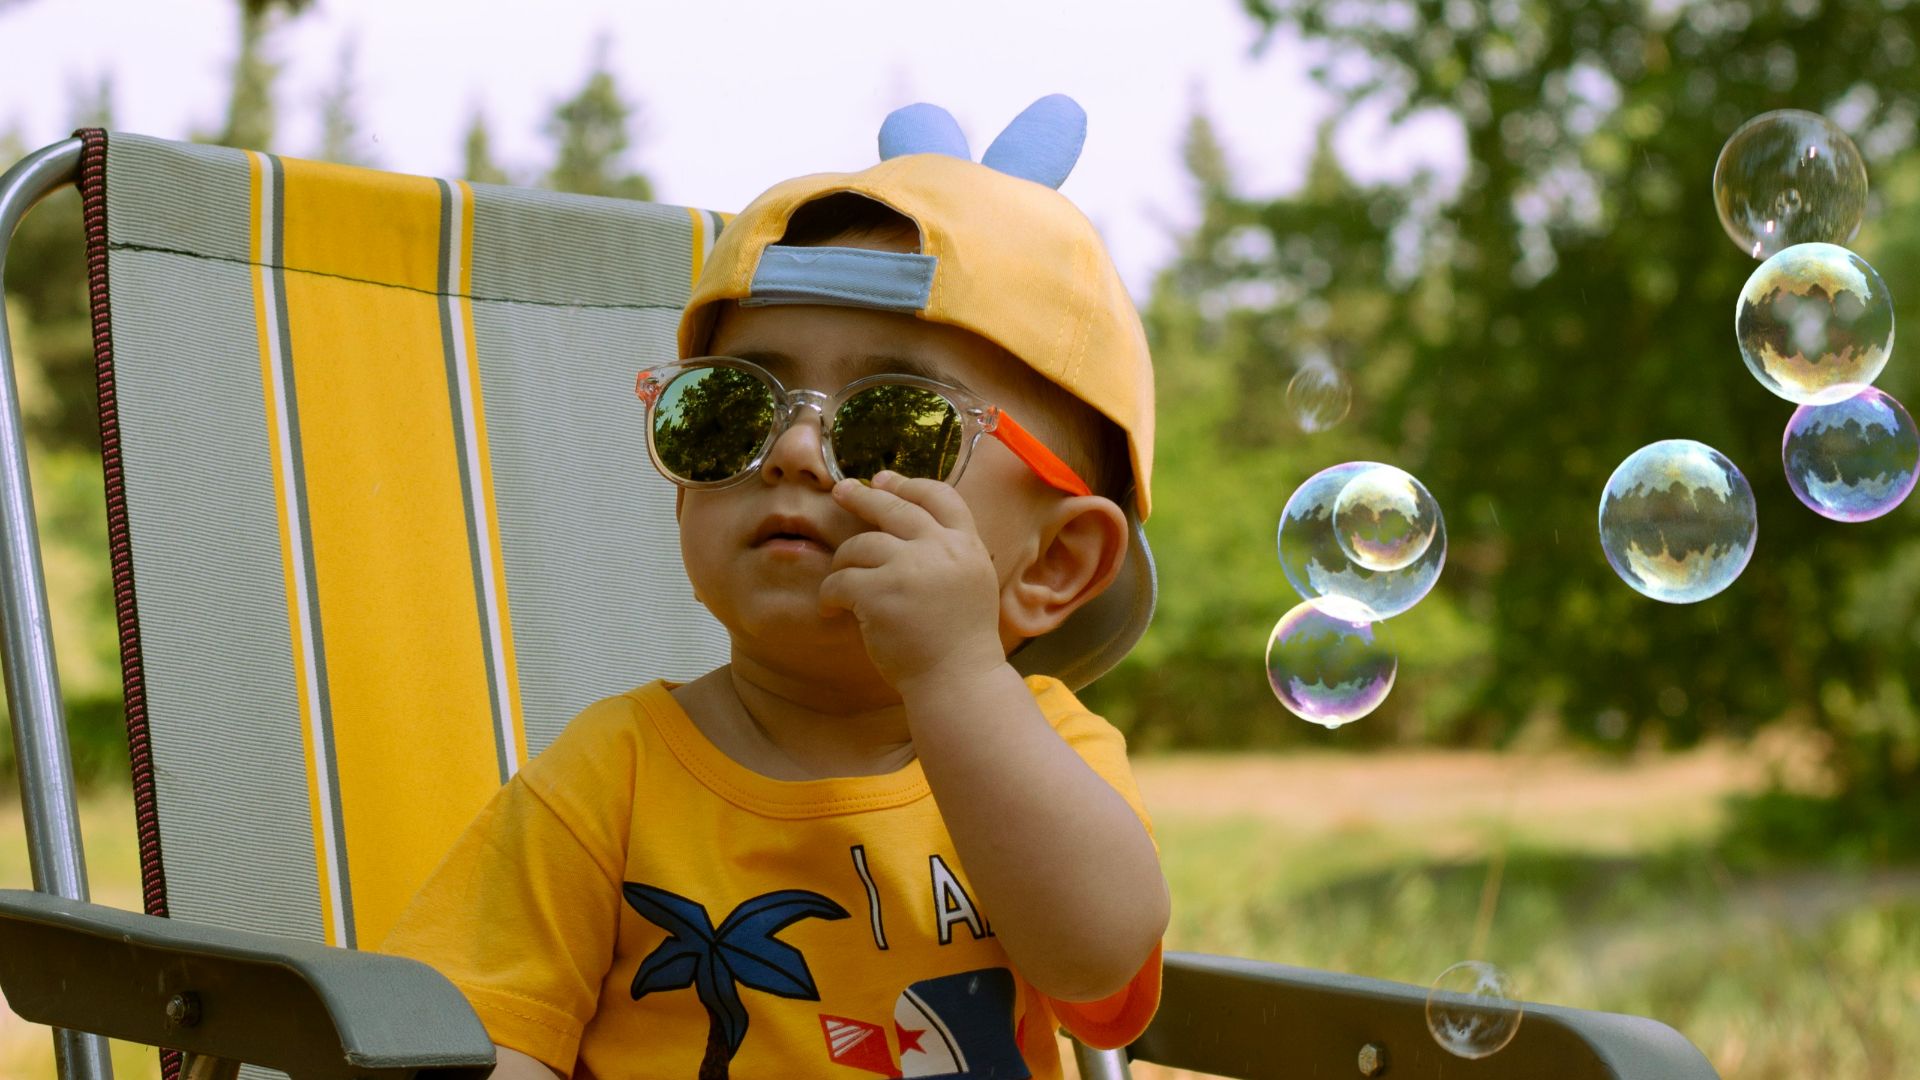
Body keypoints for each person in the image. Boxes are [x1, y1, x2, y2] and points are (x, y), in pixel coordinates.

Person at [382, 93, 1169, 1080]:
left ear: (1053, 564)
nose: (794, 449)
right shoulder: (610, 780)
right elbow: (484, 1039)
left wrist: (958, 674)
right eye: (729, 410)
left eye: (894, 423)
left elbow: (1100, 969)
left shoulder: (1052, 754)